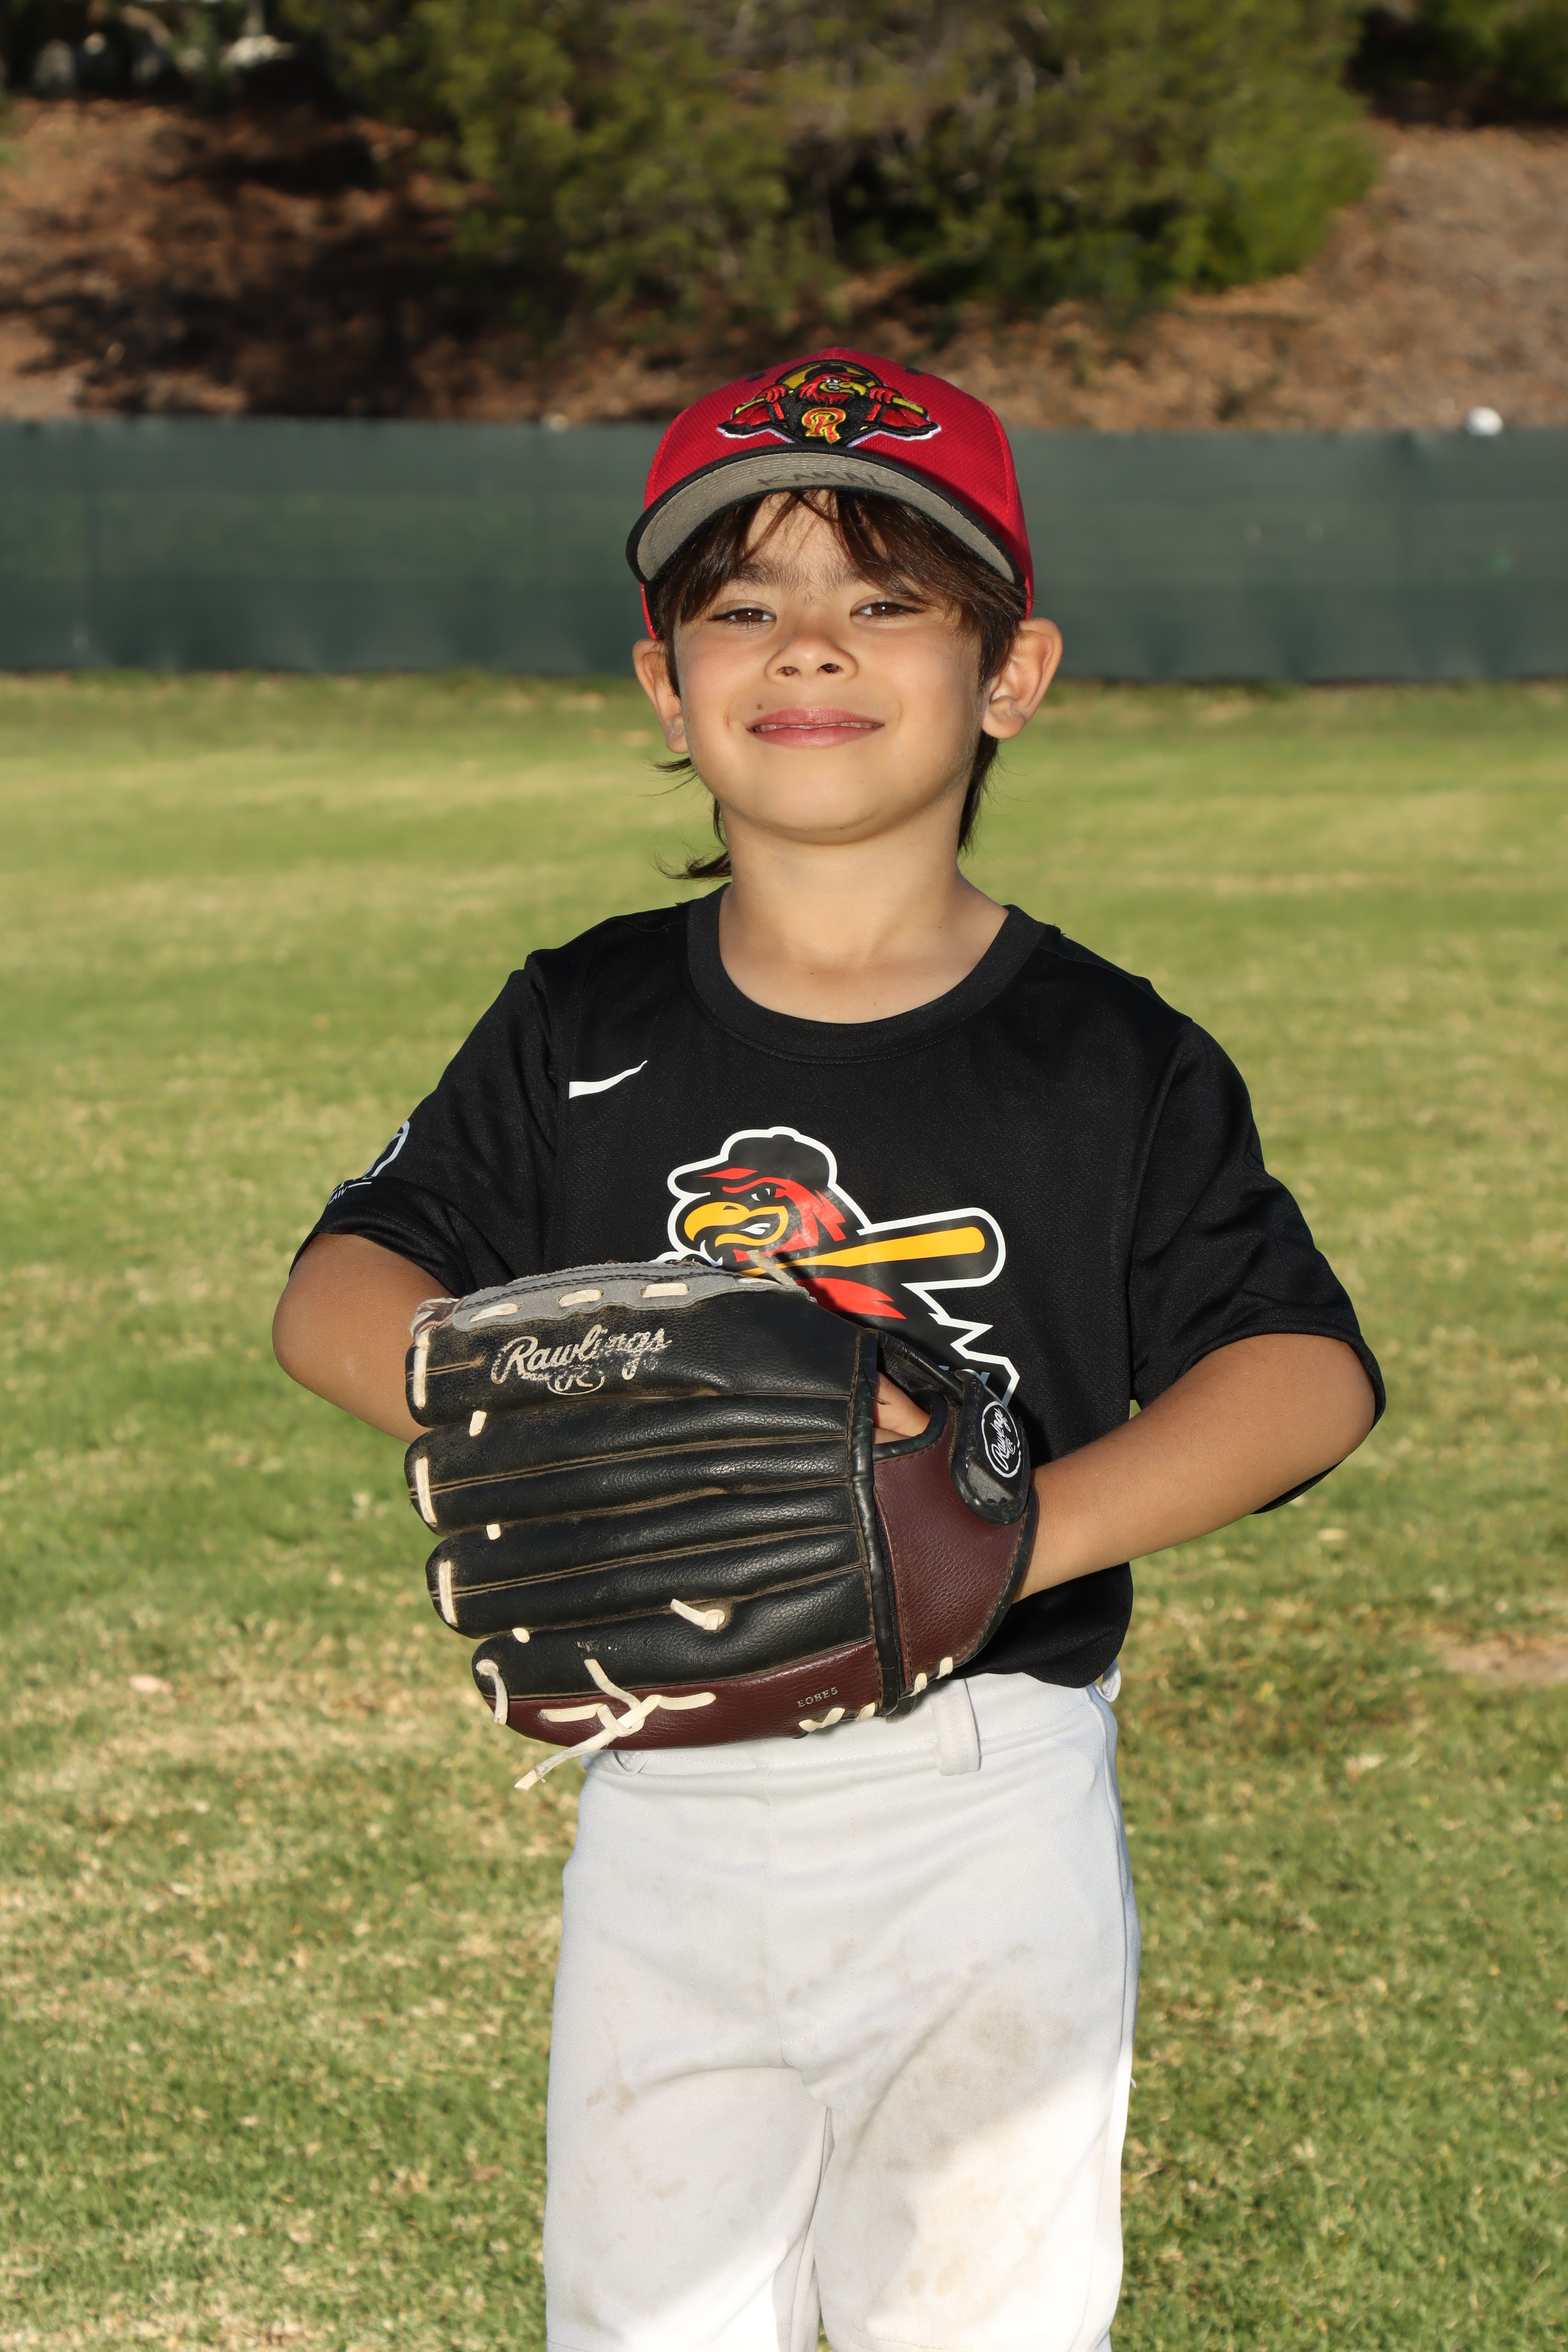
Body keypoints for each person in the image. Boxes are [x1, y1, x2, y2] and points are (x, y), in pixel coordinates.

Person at [273, 349, 1382, 2352]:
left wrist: (984, 1535)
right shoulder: (582, 1018)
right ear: (662, 683)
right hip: (664, 1786)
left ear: (1010, 674)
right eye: (742, 604)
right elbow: (340, 1293)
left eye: (884, 598)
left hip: (984, 1785)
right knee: (647, 2321)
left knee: (973, 2318)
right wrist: (594, 1402)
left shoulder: (1103, 1053)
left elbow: (1299, 1375)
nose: (808, 646)